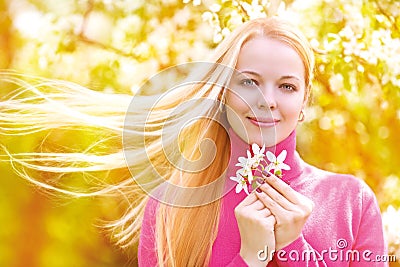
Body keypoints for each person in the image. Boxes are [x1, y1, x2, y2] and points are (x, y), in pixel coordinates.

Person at [0, 17, 387, 266]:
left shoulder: (352, 201)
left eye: (286, 86)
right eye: (249, 81)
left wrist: (293, 249)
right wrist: (251, 257)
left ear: (303, 103)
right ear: (223, 91)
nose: (267, 100)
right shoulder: (170, 206)